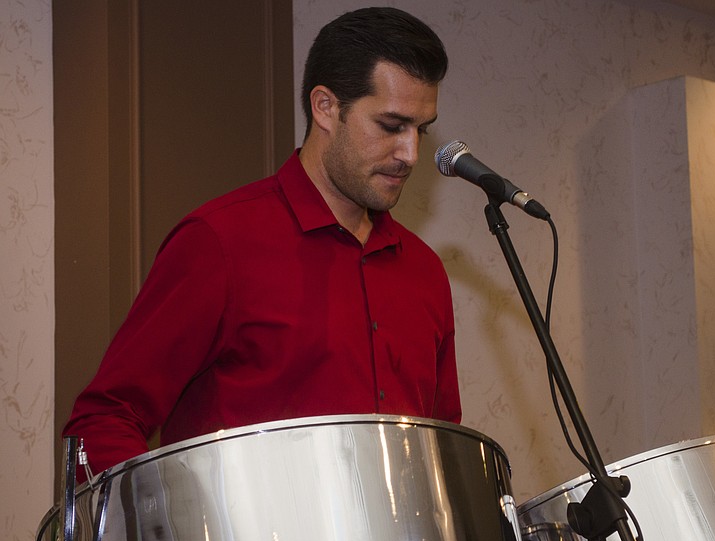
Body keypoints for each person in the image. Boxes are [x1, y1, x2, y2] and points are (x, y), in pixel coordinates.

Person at [64, 7, 461, 476]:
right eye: (392, 126)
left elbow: (443, 453)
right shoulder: (218, 243)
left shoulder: (424, 271)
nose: (411, 154)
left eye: (422, 130)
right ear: (326, 108)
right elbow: (104, 419)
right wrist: (158, 535)